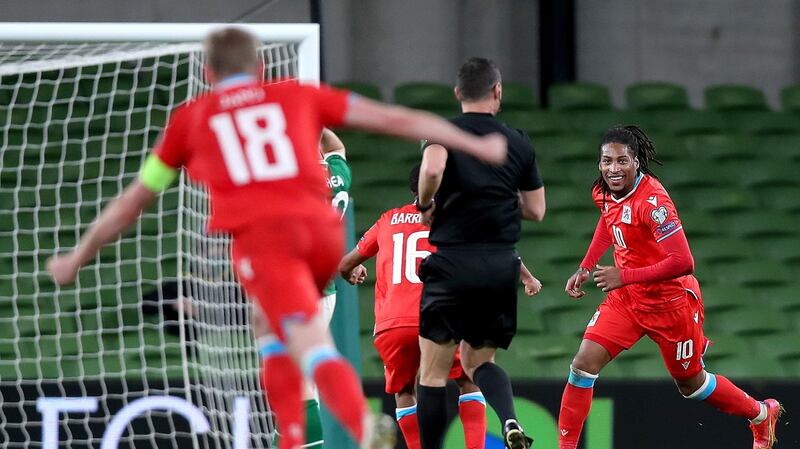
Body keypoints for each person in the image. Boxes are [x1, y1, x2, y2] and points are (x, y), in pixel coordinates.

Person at [46, 27, 508, 449]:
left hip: (269, 241)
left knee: (305, 343)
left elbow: (133, 201)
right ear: (261, 69)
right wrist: (473, 144)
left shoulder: (192, 120)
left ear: (209, 73)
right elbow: (389, 118)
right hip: (323, 237)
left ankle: (353, 427)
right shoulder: (297, 99)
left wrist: (79, 255)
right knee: (271, 327)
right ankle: (305, 432)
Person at [558, 125, 783, 449]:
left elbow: (683, 262)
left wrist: (624, 275)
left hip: (672, 304)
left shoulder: (653, 203)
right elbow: (609, 220)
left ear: (636, 162)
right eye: (607, 161)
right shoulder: (604, 191)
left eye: (622, 161)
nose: (613, 168)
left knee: (691, 384)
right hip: (628, 301)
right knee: (582, 365)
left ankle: (762, 414)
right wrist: (586, 265)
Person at [338, 164, 543, 449]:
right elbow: (502, 249)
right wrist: (528, 279)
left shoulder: (387, 220)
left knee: (405, 391)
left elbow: (346, 263)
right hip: (441, 315)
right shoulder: (457, 218)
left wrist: (353, 272)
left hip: (392, 323)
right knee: (470, 380)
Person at [414, 58, 546, 449]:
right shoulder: (518, 141)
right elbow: (537, 210)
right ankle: (509, 421)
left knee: (433, 373)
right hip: (499, 266)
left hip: (453, 263)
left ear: (458, 94)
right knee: (479, 364)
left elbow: (434, 168)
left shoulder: (442, 132)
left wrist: (426, 203)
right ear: (497, 91)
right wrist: (497, 199)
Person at [250, 127, 351, 449]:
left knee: (300, 385)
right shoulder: (337, 174)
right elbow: (336, 146)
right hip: (323, 288)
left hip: (299, 290)